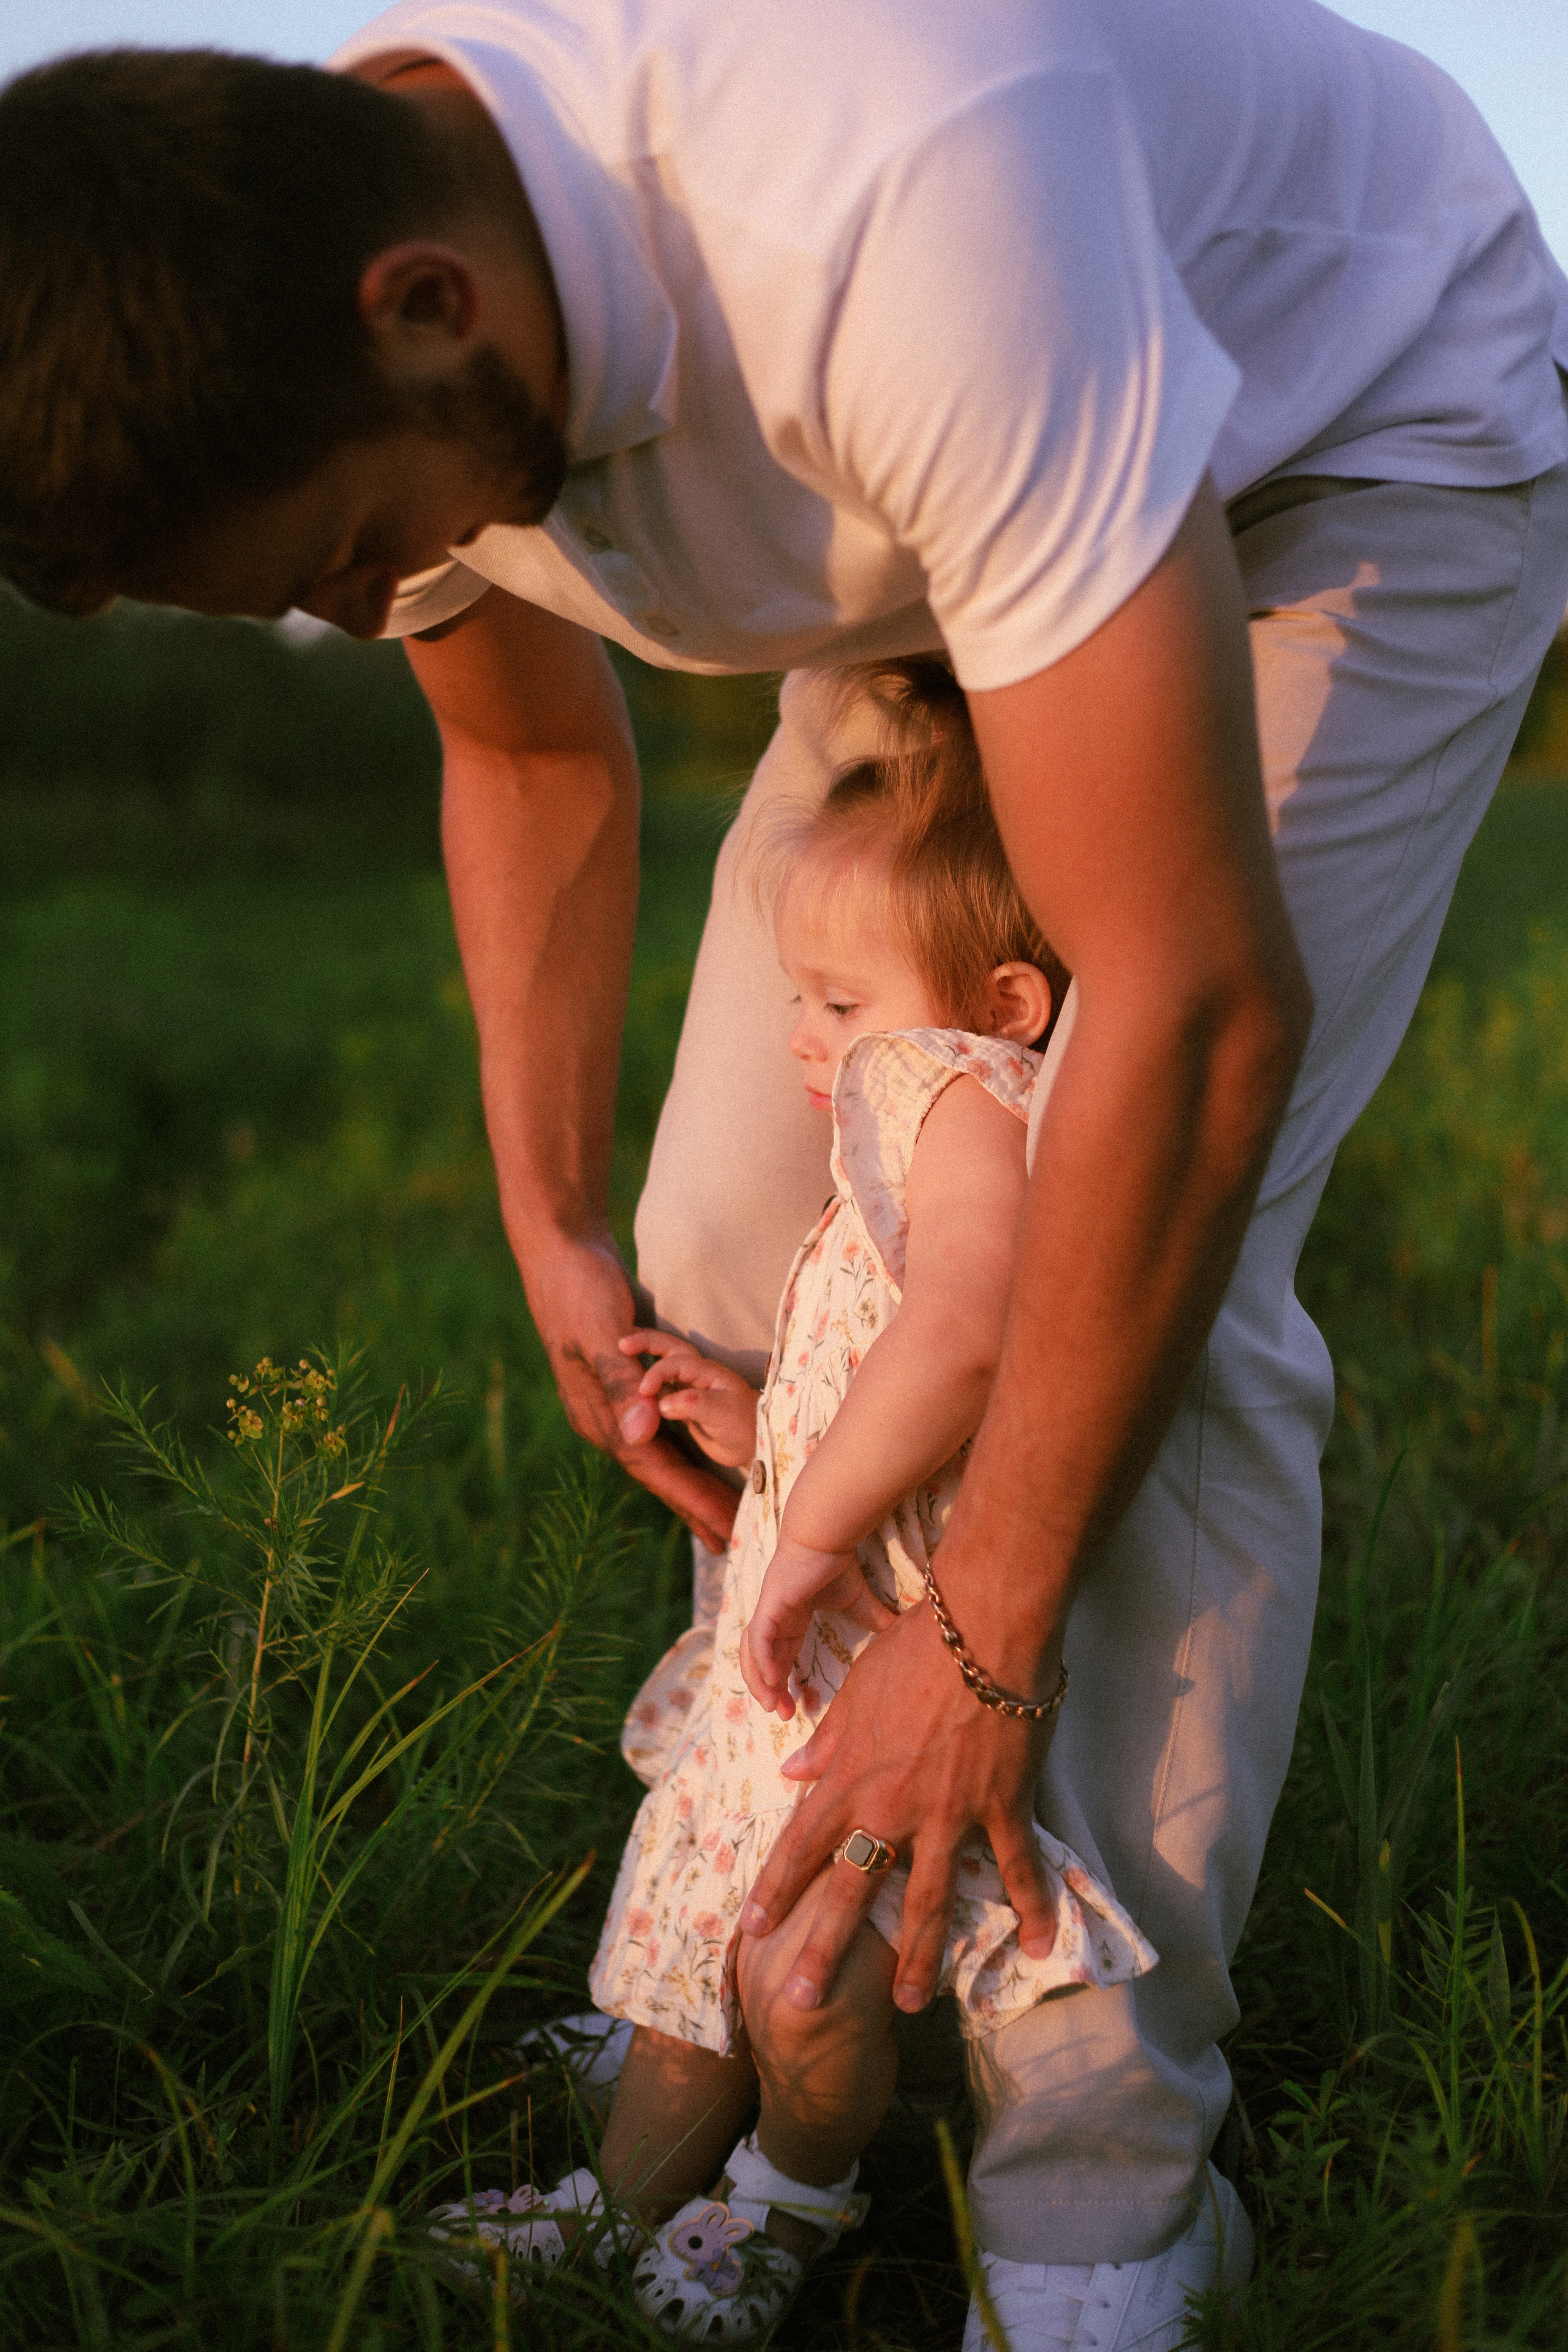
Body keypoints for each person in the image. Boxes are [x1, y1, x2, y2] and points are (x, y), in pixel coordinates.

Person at [3, 8, 1568, 2343]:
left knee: (1128, 1271)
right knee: (748, 1247)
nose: (367, 608)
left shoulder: (893, 195)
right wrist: (551, 1217)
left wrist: (982, 1634)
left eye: (346, 556)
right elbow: (531, 760)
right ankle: (771, 1983)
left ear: (426, 308)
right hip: (957, 531)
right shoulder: (351, 300)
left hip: (1351, 447)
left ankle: (1102, 2191)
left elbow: (1193, 1013)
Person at [429, 663, 1172, 2343]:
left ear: (1005, 1001)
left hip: (867, 1660)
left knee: (805, 1975)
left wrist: (813, 1525)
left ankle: (788, 2195)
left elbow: (965, 1329)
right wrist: (766, 1426)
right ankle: (623, 2203)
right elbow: (895, 1370)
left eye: (836, 1002)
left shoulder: (953, 1091)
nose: (801, 1038)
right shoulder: (922, 1101)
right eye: (801, 998)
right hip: (813, 1662)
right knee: (708, 1957)